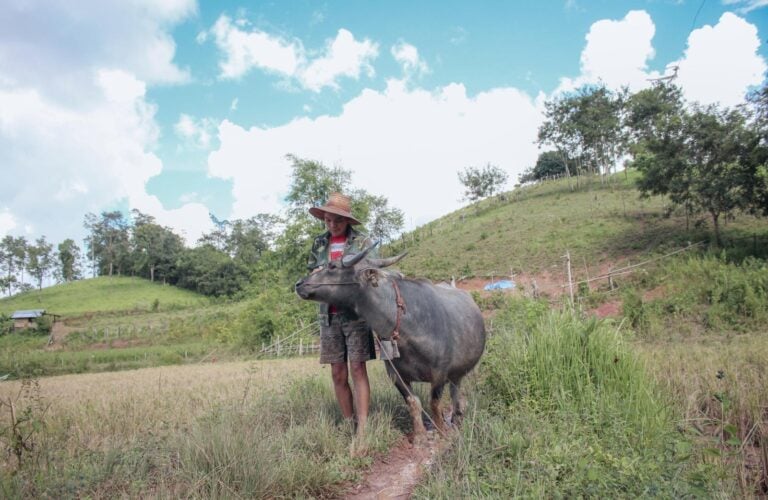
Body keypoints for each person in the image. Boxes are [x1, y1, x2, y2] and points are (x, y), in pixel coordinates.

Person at [307, 192, 377, 437]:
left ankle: (364, 427)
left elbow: (373, 273)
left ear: (347, 221)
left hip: (356, 314)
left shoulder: (361, 242)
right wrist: (318, 272)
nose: (332, 225)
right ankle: (349, 424)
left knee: (358, 368)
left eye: (337, 220)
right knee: (338, 371)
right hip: (329, 314)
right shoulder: (319, 244)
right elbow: (312, 276)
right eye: (327, 220)